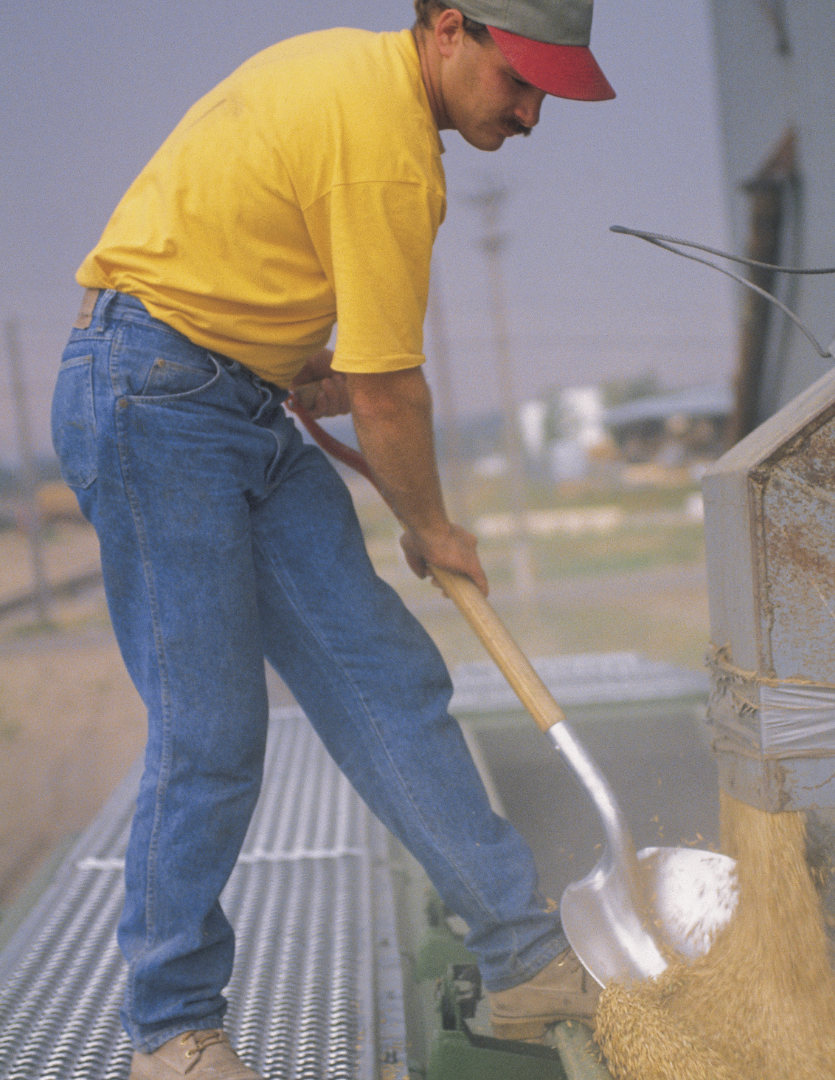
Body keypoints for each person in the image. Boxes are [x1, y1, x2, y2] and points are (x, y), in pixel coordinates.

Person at [51, 3, 616, 1078]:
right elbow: (392, 395)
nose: (536, 112)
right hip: (153, 400)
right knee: (212, 731)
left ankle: (525, 961)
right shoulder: (390, 155)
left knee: (388, 678)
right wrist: (433, 527)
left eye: (551, 90)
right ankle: (169, 1031)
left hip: (231, 399)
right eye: (523, 80)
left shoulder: (355, 86)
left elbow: (288, 298)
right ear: (451, 28)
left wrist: (285, 358)